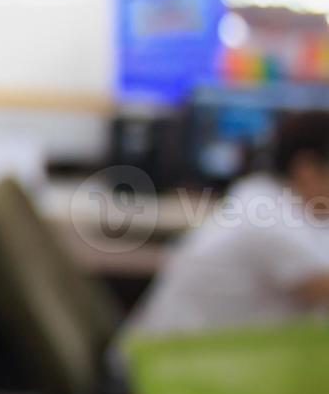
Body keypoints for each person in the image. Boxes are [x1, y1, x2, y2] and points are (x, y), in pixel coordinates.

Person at [125, 111, 329, 339]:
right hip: (163, 366)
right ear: (307, 170)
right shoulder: (268, 218)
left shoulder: (265, 194)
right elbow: (321, 286)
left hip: (198, 360)